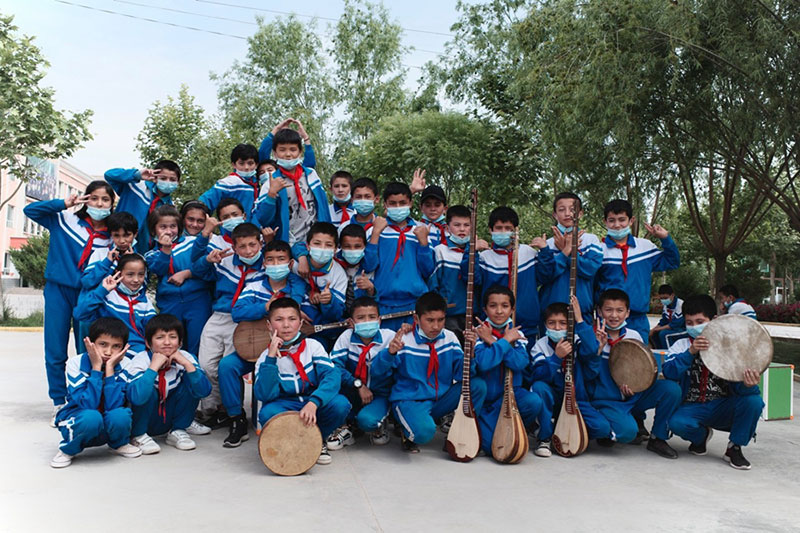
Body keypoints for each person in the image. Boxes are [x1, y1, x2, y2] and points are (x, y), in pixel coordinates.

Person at [24, 182, 115, 422]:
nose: (99, 204)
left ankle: (84, 397)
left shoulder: (111, 237)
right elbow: (30, 211)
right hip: (58, 290)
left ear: (111, 205)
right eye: (94, 198)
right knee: (55, 348)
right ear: (86, 199)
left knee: (87, 347)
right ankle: (58, 400)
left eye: (105, 200)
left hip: (89, 294)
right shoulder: (65, 220)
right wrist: (64, 203)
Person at [371, 292, 487, 453]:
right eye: (430, 320)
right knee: (424, 434)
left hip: (440, 399)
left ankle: (458, 433)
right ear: (417, 319)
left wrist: (471, 352)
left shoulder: (450, 338)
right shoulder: (404, 339)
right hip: (410, 400)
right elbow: (377, 373)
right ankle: (404, 426)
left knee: (477, 385)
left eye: (441, 320)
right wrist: (389, 353)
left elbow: (462, 376)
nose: (436, 326)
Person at [663, 295, 764, 470]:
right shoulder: (680, 345)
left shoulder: (730, 347)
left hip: (723, 406)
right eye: (689, 322)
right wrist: (690, 352)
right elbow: (669, 372)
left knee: (754, 401)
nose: (694, 327)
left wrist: (748, 385)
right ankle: (700, 437)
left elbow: (745, 391)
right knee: (677, 423)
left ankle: (734, 447)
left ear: (714, 320)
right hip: (693, 406)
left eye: (700, 321)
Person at [254, 298, 350, 465]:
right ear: (269, 325)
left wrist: (314, 402)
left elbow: (332, 377)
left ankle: (319, 440)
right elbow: (264, 395)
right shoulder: (264, 357)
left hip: (311, 401)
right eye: (279, 320)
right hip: (284, 404)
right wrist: (271, 359)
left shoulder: (313, 346)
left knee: (340, 404)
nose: (286, 325)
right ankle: (294, 442)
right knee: (267, 414)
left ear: (300, 323)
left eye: (292, 319)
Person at [588, 289, 682, 458]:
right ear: (600, 311)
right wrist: (597, 349)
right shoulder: (590, 337)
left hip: (632, 396)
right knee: (628, 433)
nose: (614, 315)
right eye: (608, 310)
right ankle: (607, 426)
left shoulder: (634, 336)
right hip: (607, 400)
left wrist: (636, 387)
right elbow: (586, 374)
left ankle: (657, 438)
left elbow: (643, 370)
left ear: (628, 313)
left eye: (620, 310)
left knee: (671, 389)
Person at [190, 223, 267, 428]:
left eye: (253, 245)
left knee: (228, 365)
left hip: (246, 322)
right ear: (234, 247)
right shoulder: (224, 260)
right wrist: (208, 261)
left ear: (260, 243)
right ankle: (210, 408)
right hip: (219, 315)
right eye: (242, 246)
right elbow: (197, 270)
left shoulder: (268, 265)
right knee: (206, 364)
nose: (248, 251)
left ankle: (230, 411)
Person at [50, 317, 142, 468]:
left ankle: (119, 444)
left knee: (121, 415)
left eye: (116, 346)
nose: (108, 352)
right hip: (79, 417)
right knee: (91, 417)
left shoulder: (126, 364)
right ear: (90, 344)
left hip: (105, 418)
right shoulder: (76, 363)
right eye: (103, 344)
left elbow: (114, 405)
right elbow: (87, 404)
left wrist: (110, 369)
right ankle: (68, 449)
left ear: (124, 348)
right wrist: (96, 369)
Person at [528, 298, 610, 457]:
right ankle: (544, 437)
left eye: (563, 323)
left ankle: (568, 431)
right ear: (545, 325)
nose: (557, 328)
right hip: (553, 397)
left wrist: (579, 320)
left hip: (576, 400)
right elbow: (538, 375)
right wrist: (556, 358)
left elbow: (591, 351)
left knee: (602, 428)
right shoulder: (540, 345)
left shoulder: (577, 341)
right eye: (551, 323)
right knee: (539, 387)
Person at [461, 206, 554, 340]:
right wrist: (472, 252)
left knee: (523, 360)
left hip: (526, 326)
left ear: (515, 230)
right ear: (490, 230)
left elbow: (545, 276)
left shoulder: (528, 253)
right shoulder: (485, 257)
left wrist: (545, 251)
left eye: (508, 228)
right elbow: (471, 279)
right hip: (492, 328)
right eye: (498, 228)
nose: (503, 232)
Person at [123, 314, 212, 454]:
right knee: (147, 389)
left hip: (169, 418)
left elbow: (204, 391)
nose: (167, 342)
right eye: (160, 337)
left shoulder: (186, 357)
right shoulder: (140, 361)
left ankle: (178, 430)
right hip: (145, 419)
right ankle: (139, 435)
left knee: (191, 379)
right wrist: (153, 368)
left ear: (180, 342)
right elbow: (137, 398)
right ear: (148, 343)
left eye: (172, 337)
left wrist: (187, 365)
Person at [595, 199, 680, 341]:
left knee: (638, 360)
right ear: (605, 222)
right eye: (612, 220)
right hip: (609, 318)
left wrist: (665, 239)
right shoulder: (599, 250)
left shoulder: (645, 247)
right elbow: (592, 283)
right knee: (606, 358)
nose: (617, 225)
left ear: (631, 220)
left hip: (638, 319)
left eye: (622, 220)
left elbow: (672, 262)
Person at [472, 286, 542, 458]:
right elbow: (484, 363)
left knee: (534, 402)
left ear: (512, 309)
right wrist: (500, 341)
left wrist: (496, 343)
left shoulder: (516, 333)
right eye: (493, 306)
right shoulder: (478, 333)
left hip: (512, 395)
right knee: (491, 447)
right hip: (489, 402)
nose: (499, 311)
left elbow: (519, 363)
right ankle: (487, 427)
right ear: (485, 309)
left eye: (504, 306)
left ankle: (517, 427)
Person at [363, 182, 435, 331]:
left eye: (402, 203)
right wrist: (376, 234)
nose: (397, 207)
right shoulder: (375, 230)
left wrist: (423, 244)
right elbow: (368, 265)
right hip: (383, 303)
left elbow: (428, 270)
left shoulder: (422, 230)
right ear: (385, 205)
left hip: (415, 303)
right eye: (393, 203)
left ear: (410, 203)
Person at [144, 206, 213, 358]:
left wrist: (189, 273)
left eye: (173, 226)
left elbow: (204, 267)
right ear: (154, 230)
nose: (169, 231)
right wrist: (165, 251)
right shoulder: (151, 254)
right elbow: (159, 270)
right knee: (172, 345)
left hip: (197, 301)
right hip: (170, 303)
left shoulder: (193, 243)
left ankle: (196, 377)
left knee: (198, 345)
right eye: (163, 227)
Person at [328, 297, 395, 449]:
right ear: (351, 322)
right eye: (360, 318)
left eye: (372, 317)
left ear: (379, 320)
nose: (366, 322)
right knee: (335, 397)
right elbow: (334, 367)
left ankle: (378, 423)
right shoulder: (345, 338)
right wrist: (357, 384)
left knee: (367, 421)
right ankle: (346, 427)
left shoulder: (389, 338)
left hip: (380, 394)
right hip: (353, 391)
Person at [254, 127, 331, 245]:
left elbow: (323, 206)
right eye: (282, 150)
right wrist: (271, 195)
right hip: (288, 244)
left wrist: (329, 235)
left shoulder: (311, 175)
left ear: (300, 152)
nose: (288, 154)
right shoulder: (271, 182)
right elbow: (263, 219)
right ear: (275, 153)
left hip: (316, 243)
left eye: (293, 149)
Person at [74, 254, 156, 357]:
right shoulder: (108, 295)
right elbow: (80, 314)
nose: (136, 280)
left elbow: (153, 331)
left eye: (140, 274)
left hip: (138, 352)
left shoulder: (145, 302)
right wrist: (102, 291)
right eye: (130, 274)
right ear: (119, 273)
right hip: (111, 350)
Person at [537, 192, 602, 321]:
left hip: (582, 313)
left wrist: (570, 252)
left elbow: (589, 270)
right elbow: (544, 276)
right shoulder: (547, 244)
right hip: (551, 314)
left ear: (580, 213)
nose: (567, 213)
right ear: (555, 214)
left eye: (573, 210)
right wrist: (564, 251)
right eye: (562, 210)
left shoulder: (590, 240)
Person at [104, 160, 180, 254]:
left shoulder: (170, 209)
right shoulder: (135, 187)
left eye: (172, 180)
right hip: (117, 244)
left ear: (178, 182)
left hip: (144, 254)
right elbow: (109, 175)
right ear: (155, 178)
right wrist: (136, 175)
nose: (168, 182)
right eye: (163, 178)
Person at [430, 205, 471, 342]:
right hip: (448, 315)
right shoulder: (440, 251)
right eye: (457, 225)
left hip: (471, 314)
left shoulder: (476, 253)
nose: (462, 229)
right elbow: (433, 285)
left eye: (466, 225)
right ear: (447, 228)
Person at [199, 144, 261, 223]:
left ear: (256, 164)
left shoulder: (256, 182)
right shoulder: (229, 183)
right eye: (241, 163)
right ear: (234, 165)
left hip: (253, 231)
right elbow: (205, 201)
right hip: (231, 231)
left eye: (250, 163)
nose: (246, 167)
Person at [336, 224, 375, 315]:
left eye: (357, 246)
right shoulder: (334, 262)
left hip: (363, 317)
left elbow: (375, 299)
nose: (352, 250)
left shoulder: (371, 265)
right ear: (340, 246)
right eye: (347, 246)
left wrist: (370, 288)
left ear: (365, 246)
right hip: (339, 317)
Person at [649, 284, 686, 349]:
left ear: (672, 295)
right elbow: (663, 321)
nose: (663, 300)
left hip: (683, 329)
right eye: (661, 298)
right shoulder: (666, 305)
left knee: (664, 334)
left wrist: (657, 329)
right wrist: (653, 330)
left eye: (665, 298)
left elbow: (675, 324)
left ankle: (668, 354)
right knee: (654, 333)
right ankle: (659, 353)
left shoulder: (680, 305)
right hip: (674, 329)